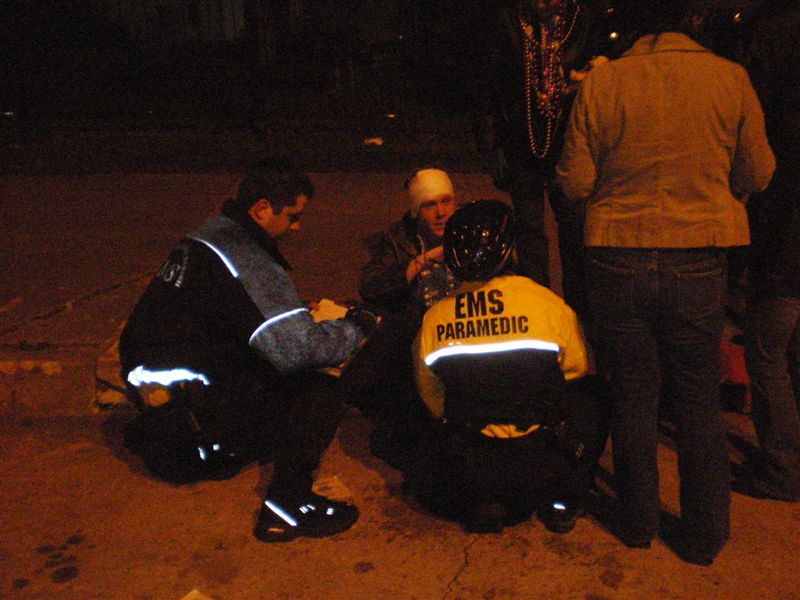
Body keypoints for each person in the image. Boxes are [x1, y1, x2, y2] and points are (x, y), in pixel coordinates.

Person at [556, 1, 775, 565]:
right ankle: (704, 537)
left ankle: (636, 521)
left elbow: (575, 181)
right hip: (698, 255)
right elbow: (757, 172)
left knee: (632, 393)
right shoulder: (730, 80)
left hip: (616, 254)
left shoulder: (604, 84)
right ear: (694, 21)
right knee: (698, 398)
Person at [119, 157, 377, 542]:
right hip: (195, 440)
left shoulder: (208, 234)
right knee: (323, 378)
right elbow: (297, 350)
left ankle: (196, 434)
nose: (297, 226)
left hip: (167, 410)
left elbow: (232, 316)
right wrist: (355, 327)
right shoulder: (248, 259)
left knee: (277, 361)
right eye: (291, 216)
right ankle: (287, 505)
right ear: (260, 210)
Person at [411, 200, 606, 534]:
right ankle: (561, 501)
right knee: (597, 396)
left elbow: (431, 398)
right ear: (510, 249)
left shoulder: (434, 319)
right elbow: (575, 368)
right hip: (540, 463)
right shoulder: (547, 305)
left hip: (469, 467)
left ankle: (482, 502)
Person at [473, 0, 632, 316]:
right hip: (521, 142)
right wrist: (490, 146)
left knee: (575, 235)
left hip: (569, 145)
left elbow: (612, 66)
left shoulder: (586, 20)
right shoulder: (509, 22)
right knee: (529, 235)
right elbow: (489, 88)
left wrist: (592, 73)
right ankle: (538, 311)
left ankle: (578, 317)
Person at [736, 0, 800, 503]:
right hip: (786, 250)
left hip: (785, 254)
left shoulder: (777, 110)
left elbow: (764, 181)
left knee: (767, 356)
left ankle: (782, 469)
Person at [353, 168, 460, 461]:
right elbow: (371, 285)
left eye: (445, 201)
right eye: (429, 205)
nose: (440, 213)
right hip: (418, 334)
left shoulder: (468, 231)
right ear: (415, 211)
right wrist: (421, 262)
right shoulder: (399, 239)